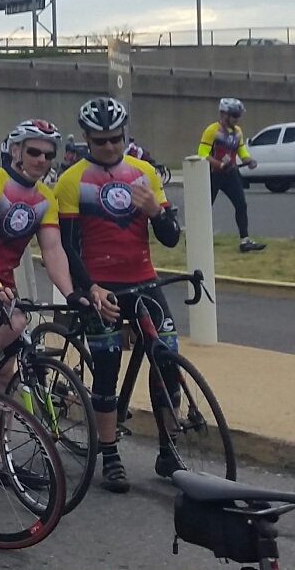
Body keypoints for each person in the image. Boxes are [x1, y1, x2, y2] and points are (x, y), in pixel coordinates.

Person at [58, 97, 184, 489]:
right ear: (86, 138)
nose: (110, 146)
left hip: (144, 281)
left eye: (116, 138)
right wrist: (89, 289)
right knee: (107, 370)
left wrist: (156, 212)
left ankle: (169, 451)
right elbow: (68, 247)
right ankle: (110, 454)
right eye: (101, 141)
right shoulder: (72, 180)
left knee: (167, 362)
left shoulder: (144, 173)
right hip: (102, 287)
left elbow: (170, 238)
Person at [0, 119, 105, 386]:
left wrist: (70, 294)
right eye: (34, 152)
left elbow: (52, 250)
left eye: (48, 155)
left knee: (3, 371)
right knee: (14, 323)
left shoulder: (45, 198)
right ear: (15, 150)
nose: (42, 160)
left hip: (3, 282)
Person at [200, 97, 265, 252]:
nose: (237, 119)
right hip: (213, 174)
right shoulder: (212, 130)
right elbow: (202, 153)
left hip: (230, 173)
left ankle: (245, 241)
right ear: (224, 114)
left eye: (238, 116)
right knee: (205, 208)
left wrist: (249, 160)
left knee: (241, 204)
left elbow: (241, 150)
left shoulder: (238, 132)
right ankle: (195, 238)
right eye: (234, 115)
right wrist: (219, 164)